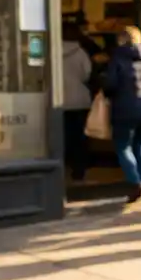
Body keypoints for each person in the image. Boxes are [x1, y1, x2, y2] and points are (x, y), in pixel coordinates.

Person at [102, 26, 141, 203]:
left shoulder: (118, 59)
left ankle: (135, 182)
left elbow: (110, 85)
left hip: (125, 110)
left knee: (123, 146)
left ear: (121, 40)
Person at [61, 22, 93, 183]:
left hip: (59, 100)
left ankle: (62, 166)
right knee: (79, 137)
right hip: (79, 100)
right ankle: (79, 170)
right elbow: (86, 74)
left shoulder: (51, 51)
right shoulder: (81, 53)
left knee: (61, 137)